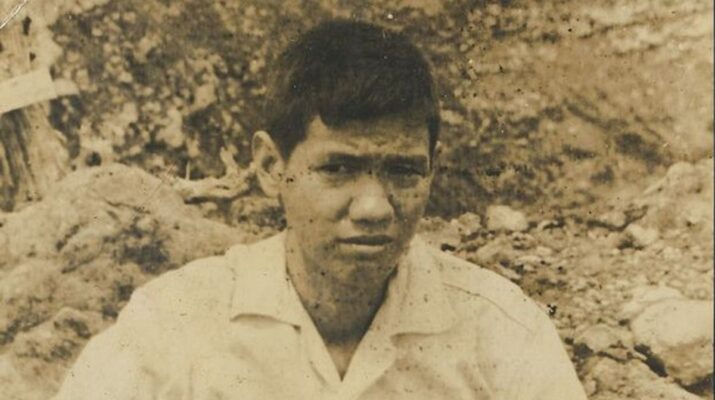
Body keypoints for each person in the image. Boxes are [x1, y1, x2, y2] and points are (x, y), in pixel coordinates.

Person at [53, 20, 587, 399]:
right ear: (270, 167)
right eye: (338, 168)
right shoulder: (174, 324)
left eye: (403, 171)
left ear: (432, 168)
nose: (374, 207)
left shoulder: (500, 332)